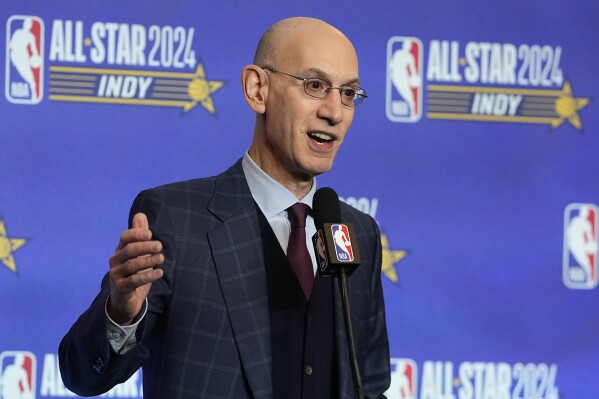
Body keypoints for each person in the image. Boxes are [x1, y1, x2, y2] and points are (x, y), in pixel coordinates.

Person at [59, 16, 390, 399]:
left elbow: (370, 384)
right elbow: (82, 375)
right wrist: (121, 314)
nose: (334, 111)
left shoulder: (357, 231)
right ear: (257, 89)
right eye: (315, 86)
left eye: (348, 93)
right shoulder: (176, 219)